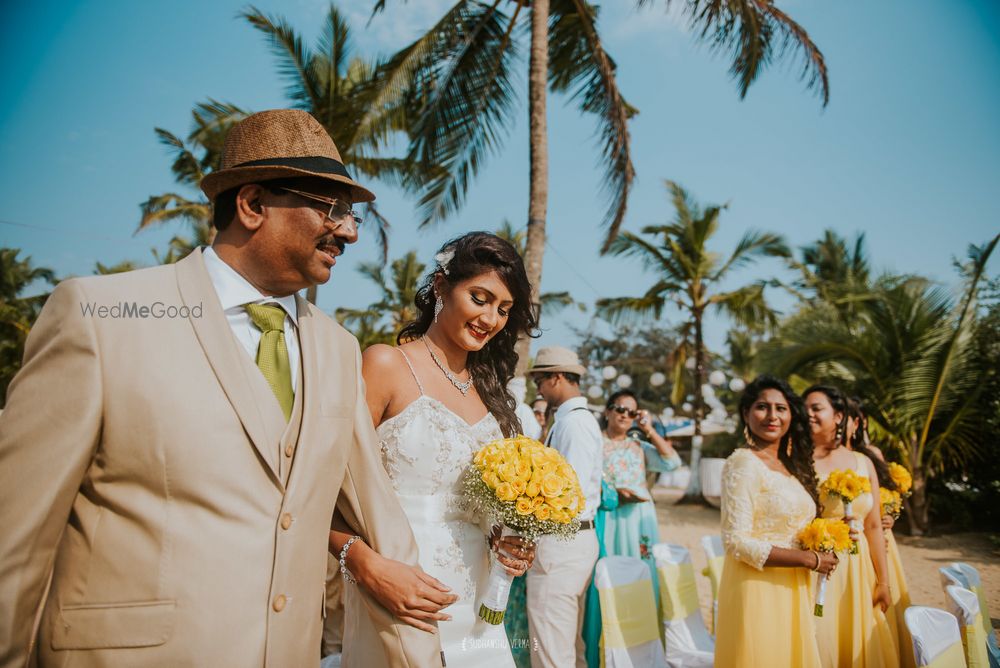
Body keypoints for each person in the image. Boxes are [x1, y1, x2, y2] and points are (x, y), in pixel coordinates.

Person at [0, 109, 441, 667]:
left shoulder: (338, 349)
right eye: (331, 207)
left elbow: (369, 509)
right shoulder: (100, 317)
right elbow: (13, 544)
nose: (350, 230)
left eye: (350, 214)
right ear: (252, 204)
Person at [332, 232, 538, 667]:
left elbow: (476, 506)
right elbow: (322, 488)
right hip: (396, 590)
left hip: (479, 605)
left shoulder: (491, 393)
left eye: (503, 309)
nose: (491, 318)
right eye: (480, 298)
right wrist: (366, 566)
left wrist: (506, 540)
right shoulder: (385, 364)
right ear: (442, 286)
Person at [714, 375, 835, 668]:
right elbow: (735, 542)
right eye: (762, 407)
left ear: (791, 415)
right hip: (757, 587)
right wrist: (808, 559)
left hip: (792, 588)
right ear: (746, 414)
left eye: (781, 408)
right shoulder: (743, 462)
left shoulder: (788, 466)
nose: (772, 416)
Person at [805, 385, 898, 668]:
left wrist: (883, 581)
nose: (807, 414)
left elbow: (872, 526)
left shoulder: (863, 461)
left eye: (816, 408)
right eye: (803, 409)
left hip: (859, 570)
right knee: (823, 638)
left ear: (838, 416)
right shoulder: (798, 460)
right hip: (819, 565)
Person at [527, 347, 602, 668]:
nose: (539, 391)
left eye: (540, 381)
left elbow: (570, 495)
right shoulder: (572, 421)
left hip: (563, 542)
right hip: (572, 542)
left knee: (551, 649)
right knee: (565, 643)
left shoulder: (574, 424)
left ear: (557, 377)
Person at [845, 398, 914, 668]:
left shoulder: (870, 454)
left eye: (849, 417)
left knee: (885, 600)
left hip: (879, 538)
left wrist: (890, 516)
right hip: (851, 542)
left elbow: (887, 495)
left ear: (857, 422)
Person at [600, 389, 681, 561]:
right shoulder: (594, 443)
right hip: (609, 513)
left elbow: (673, 462)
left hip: (639, 515)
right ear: (608, 411)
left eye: (632, 413)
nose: (625, 415)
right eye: (620, 409)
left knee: (640, 568)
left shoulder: (639, 446)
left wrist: (648, 428)